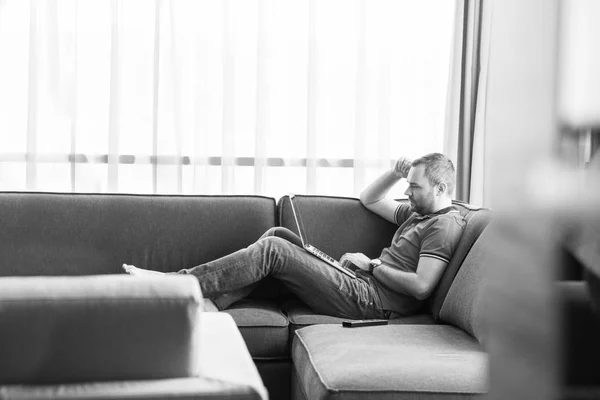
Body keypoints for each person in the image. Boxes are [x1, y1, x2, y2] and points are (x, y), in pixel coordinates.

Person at [123, 153, 466, 319]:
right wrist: (395, 172)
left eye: (415, 187)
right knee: (278, 234)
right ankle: (214, 302)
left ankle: (174, 284)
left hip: (373, 302)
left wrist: (373, 266)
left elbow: (422, 287)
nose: (408, 193)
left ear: (440, 188)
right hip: (361, 283)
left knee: (273, 250)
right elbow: (370, 198)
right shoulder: (419, 214)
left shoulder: (442, 225)